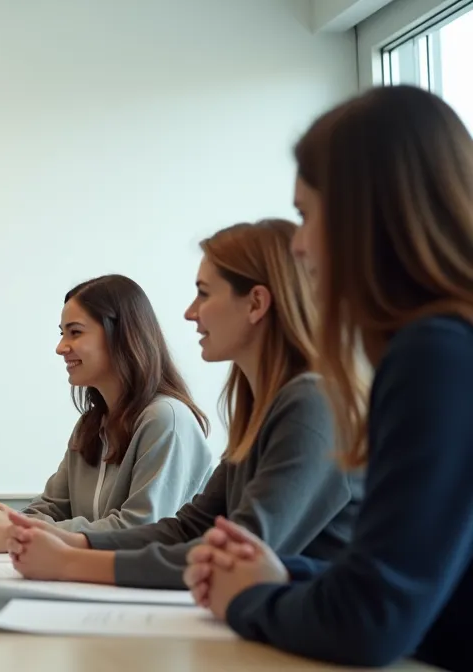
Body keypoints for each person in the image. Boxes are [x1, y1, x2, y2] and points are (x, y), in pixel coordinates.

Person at [183, 86, 473, 671]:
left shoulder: (436, 354)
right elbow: (415, 585)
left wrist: (250, 598)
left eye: (306, 215)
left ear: (367, 217)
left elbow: (370, 621)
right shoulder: (443, 347)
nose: (299, 244)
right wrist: (286, 574)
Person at [3, 220, 361, 588]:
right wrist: (72, 542)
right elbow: (188, 528)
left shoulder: (313, 405)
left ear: (256, 303)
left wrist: (69, 562)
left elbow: (234, 558)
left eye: (204, 294)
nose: (191, 312)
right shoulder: (260, 409)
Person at [0, 275, 213, 551]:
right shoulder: (90, 426)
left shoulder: (166, 419)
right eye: (62, 333)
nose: (60, 347)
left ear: (122, 335)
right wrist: (8, 522)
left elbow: (139, 530)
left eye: (75, 332)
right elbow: (51, 508)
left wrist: (15, 532)